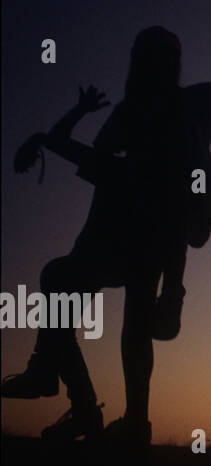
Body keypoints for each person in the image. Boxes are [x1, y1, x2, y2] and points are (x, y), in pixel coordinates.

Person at [4, 85, 123, 440]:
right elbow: (53, 140)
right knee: (60, 323)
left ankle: (51, 379)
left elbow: (54, 139)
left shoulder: (116, 168)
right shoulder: (137, 169)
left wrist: (78, 112)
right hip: (113, 262)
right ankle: (82, 408)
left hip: (102, 260)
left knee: (57, 278)